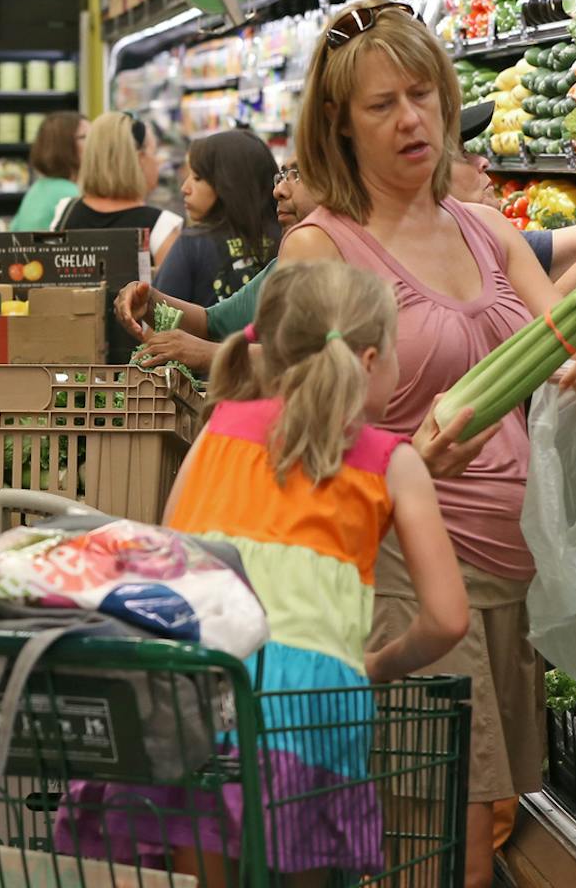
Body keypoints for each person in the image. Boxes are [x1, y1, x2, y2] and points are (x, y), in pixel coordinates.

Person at [271, 0, 576, 888]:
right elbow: (290, 440)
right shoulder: (321, 251)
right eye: (381, 104)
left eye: (423, 94)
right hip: (403, 572)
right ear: (338, 122)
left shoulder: (486, 229)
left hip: (509, 569)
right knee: (448, 849)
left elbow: (559, 349)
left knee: (482, 818)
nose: (411, 119)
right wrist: (397, 463)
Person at [161, 260, 468, 877]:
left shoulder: (218, 427)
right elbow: (447, 618)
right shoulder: (393, 460)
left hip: (193, 688)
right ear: (374, 360)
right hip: (308, 702)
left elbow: (169, 550)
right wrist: (377, 665)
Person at [121, 100, 576, 373]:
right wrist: (177, 326)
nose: (484, 167)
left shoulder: (484, 230)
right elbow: (303, 365)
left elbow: (553, 324)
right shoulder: (318, 251)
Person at [155, 130, 280, 309]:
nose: (185, 188)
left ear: (228, 182)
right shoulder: (290, 239)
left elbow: (159, 326)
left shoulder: (192, 244)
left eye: (197, 178)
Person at [53, 110, 180, 266]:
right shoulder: (162, 227)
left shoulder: (66, 211)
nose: (157, 162)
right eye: (154, 153)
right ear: (138, 159)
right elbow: (169, 289)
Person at [11, 111, 84, 231]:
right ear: (63, 145)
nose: (95, 143)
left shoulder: (38, 188)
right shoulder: (71, 195)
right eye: (84, 137)